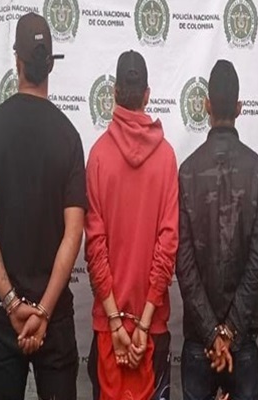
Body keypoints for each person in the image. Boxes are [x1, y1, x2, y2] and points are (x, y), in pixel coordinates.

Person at [0, 12, 86, 400]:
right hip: (55, 315)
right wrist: (44, 311)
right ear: (50, 64)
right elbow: (74, 233)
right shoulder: (68, 137)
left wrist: (12, 303)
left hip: (8, 316)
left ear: (16, 61)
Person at [85, 49, 178, 400]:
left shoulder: (97, 156)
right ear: (147, 95)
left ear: (114, 93)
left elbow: (95, 248)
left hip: (110, 327)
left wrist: (114, 320)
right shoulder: (166, 157)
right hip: (150, 328)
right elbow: (168, 245)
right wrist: (143, 321)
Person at [176, 59, 258, 400]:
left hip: (199, 340)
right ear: (240, 107)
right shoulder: (257, 169)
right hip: (241, 340)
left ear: (206, 106)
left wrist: (212, 332)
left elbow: (183, 263)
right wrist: (229, 332)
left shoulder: (188, 171)